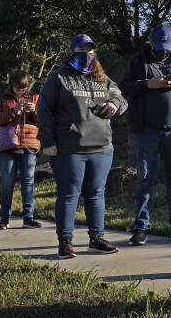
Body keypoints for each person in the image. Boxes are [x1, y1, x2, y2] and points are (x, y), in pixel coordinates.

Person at [38, 34, 128, 258]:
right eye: (82, 50)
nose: (86, 54)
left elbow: (121, 98)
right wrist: (48, 141)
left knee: (96, 194)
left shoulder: (102, 78)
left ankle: (96, 239)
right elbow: (44, 110)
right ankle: (65, 241)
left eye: (90, 50)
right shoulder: (59, 78)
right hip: (69, 148)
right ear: (72, 52)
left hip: (102, 146)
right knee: (69, 194)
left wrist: (114, 104)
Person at [120, 24, 171, 246]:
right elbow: (124, 89)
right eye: (159, 46)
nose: (163, 50)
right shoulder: (138, 60)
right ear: (151, 41)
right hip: (145, 130)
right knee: (144, 178)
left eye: (167, 46)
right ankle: (141, 227)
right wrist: (147, 84)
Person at [0, 70, 42, 230]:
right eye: (17, 88)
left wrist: (34, 110)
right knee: (7, 182)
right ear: (11, 85)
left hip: (30, 143)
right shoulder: (2, 96)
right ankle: (4, 218)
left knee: (28, 182)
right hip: (8, 145)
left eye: (24, 88)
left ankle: (28, 218)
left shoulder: (35, 97)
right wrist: (13, 111)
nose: (21, 91)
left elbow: (44, 120)